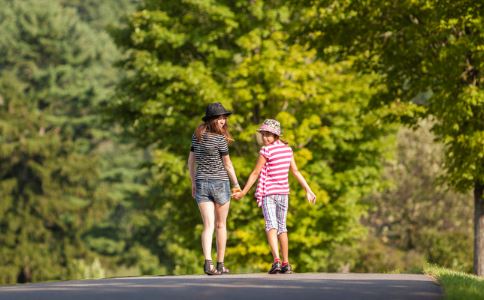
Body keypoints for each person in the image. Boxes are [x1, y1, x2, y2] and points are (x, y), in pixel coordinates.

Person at [233, 119, 316, 274]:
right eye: (263, 135)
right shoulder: (288, 150)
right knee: (282, 227)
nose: (265, 138)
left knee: (272, 226)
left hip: (269, 193)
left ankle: (277, 261)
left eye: (268, 135)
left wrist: (243, 192)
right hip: (284, 193)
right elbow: (296, 172)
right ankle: (286, 263)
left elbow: (256, 173)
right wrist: (308, 189)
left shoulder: (266, 151)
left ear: (276, 135)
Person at [188, 102, 240, 275]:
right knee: (220, 225)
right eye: (220, 118)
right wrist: (236, 184)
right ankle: (219, 264)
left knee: (208, 225)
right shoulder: (220, 139)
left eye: (224, 118)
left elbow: (191, 161)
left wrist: (193, 181)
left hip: (202, 182)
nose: (223, 121)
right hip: (220, 184)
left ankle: (209, 264)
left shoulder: (197, 136)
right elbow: (228, 164)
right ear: (212, 120)